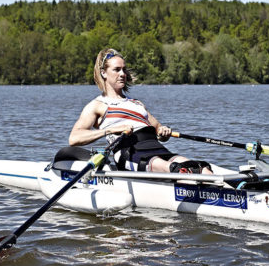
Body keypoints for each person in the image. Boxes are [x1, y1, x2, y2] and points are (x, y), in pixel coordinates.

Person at [69, 48, 213, 174]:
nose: (122, 74)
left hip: (156, 148)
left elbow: (159, 131)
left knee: (200, 167)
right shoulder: (97, 105)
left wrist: (164, 132)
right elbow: (74, 138)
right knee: (176, 169)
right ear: (104, 73)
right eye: (117, 69)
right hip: (130, 152)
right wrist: (111, 130)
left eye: (124, 69)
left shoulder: (136, 104)